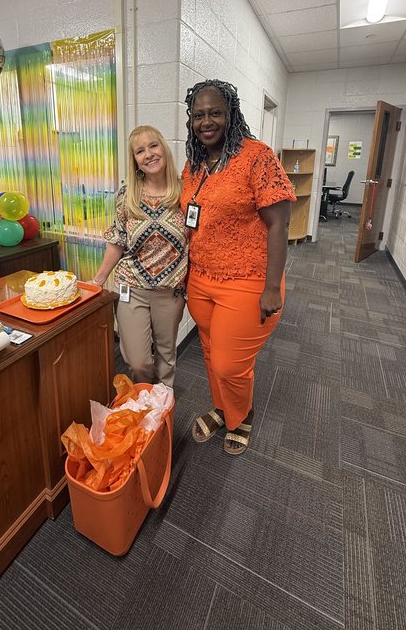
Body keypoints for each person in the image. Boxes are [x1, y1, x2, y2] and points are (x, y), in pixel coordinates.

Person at [181, 80, 296, 455]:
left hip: (247, 278)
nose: (206, 121)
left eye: (215, 112)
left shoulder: (256, 156)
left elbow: (279, 223)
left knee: (231, 363)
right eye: (198, 115)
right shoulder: (194, 163)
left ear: (231, 114)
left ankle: (242, 415)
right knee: (213, 352)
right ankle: (223, 409)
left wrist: (271, 288)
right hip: (201, 277)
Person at [92, 125, 188, 389]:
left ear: (164, 148)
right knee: (138, 362)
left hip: (170, 291)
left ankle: (162, 409)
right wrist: (97, 280)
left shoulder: (185, 191)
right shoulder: (127, 195)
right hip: (131, 287)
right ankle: (144, 401)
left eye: (153, 146)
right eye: (140, 151)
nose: (149, 154)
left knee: (166, 358)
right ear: (134, 159)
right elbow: (117, 242)